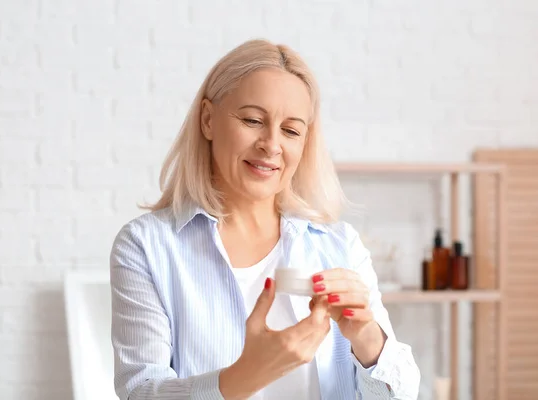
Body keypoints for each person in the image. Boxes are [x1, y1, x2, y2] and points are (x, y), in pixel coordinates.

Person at [110, 38, 420, 400]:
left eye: (291, 130)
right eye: (253, 120)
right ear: (208, 120)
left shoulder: (340, 245)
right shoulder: (146, 246)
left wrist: (367, 336)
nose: (271, 145)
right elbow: (141, 393)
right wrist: (245, 376)